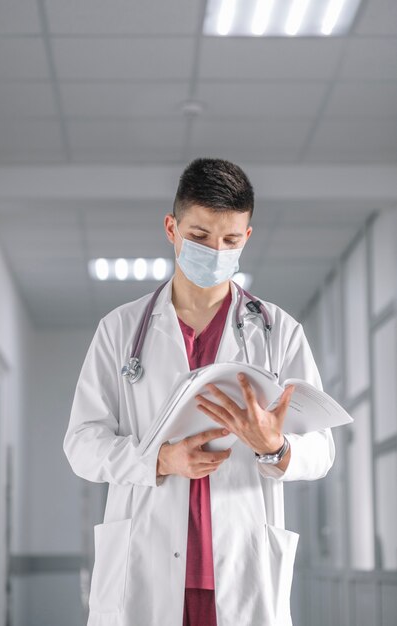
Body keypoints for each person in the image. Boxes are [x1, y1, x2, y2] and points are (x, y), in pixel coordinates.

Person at [63, 157, 335, 626]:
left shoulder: (278, 333)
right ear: (172, 228)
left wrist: (275, 447)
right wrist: (159, 460)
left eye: (230, 240)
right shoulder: (121, 330)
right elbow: (81, 445)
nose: (215, 251)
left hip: (242, 567)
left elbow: (322, 449)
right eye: (199, 237)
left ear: (246, 239)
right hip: (145, 566)